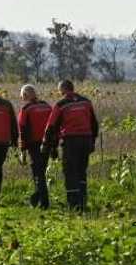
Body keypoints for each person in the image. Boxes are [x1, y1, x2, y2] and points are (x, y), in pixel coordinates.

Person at [42, 80, 99, 212]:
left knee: (70, 172)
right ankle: (83, 202)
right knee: (81, 171)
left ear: (62, 90)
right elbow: (94, 124)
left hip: (71, 141)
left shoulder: (61, 104)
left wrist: (49, 146)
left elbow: (51, 127)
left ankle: (74, 205)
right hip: (86, 140)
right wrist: (93, 141)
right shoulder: (86, 102)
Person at [17, 84, 52, 209]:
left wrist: (22, 150)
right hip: (47, 143)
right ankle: (37, 199)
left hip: (34, 145)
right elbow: (53, 126)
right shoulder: (47, 107)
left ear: (25, 95)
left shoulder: (26, 109)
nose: (22, 99)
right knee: (41, 171)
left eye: (22, 96)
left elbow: (22, 130)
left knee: (38, 173)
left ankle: (44, 203)